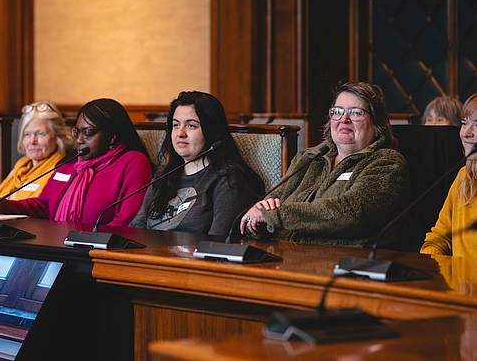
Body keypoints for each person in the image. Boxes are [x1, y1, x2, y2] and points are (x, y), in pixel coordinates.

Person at [240, 81, 412, 248]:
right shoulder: (308, 159)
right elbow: (269, 204)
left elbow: (351, 214)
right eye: (337, 111)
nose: (344, 119)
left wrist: (275, 216)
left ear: (376, 126)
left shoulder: (387, 162)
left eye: (356, 113)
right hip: (281, 256)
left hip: (344, 264)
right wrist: (257, 220)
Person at [0, 98, 153, 226]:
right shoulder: (71, 164)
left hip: (100, 254)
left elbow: (129, 219)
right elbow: (45, 205)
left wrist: (88, 241)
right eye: (77, 132)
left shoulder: (132, 161)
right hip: (59, 246)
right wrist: (4, 205)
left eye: (88, 133)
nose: (80, 140)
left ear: (112, 137)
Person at [129, 91, 264, 237]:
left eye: (191, 126)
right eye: (175, 125)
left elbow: (216, 242)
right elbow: (137, 228)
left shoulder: (229, 181)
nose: (180, 133)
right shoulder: (164, 175)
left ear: (212, 131)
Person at [420, 93, 477, 258]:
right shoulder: (463, 177)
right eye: (464, 123)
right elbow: (438, 238)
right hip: (457, 282)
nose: (466, 133)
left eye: (476, 125)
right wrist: (428, 262)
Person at [0, 101, 72, 200]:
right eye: (27, 134)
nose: (32, 141)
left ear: (58, 137)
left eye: (40, 134)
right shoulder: (20, 168)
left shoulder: (62, 171)